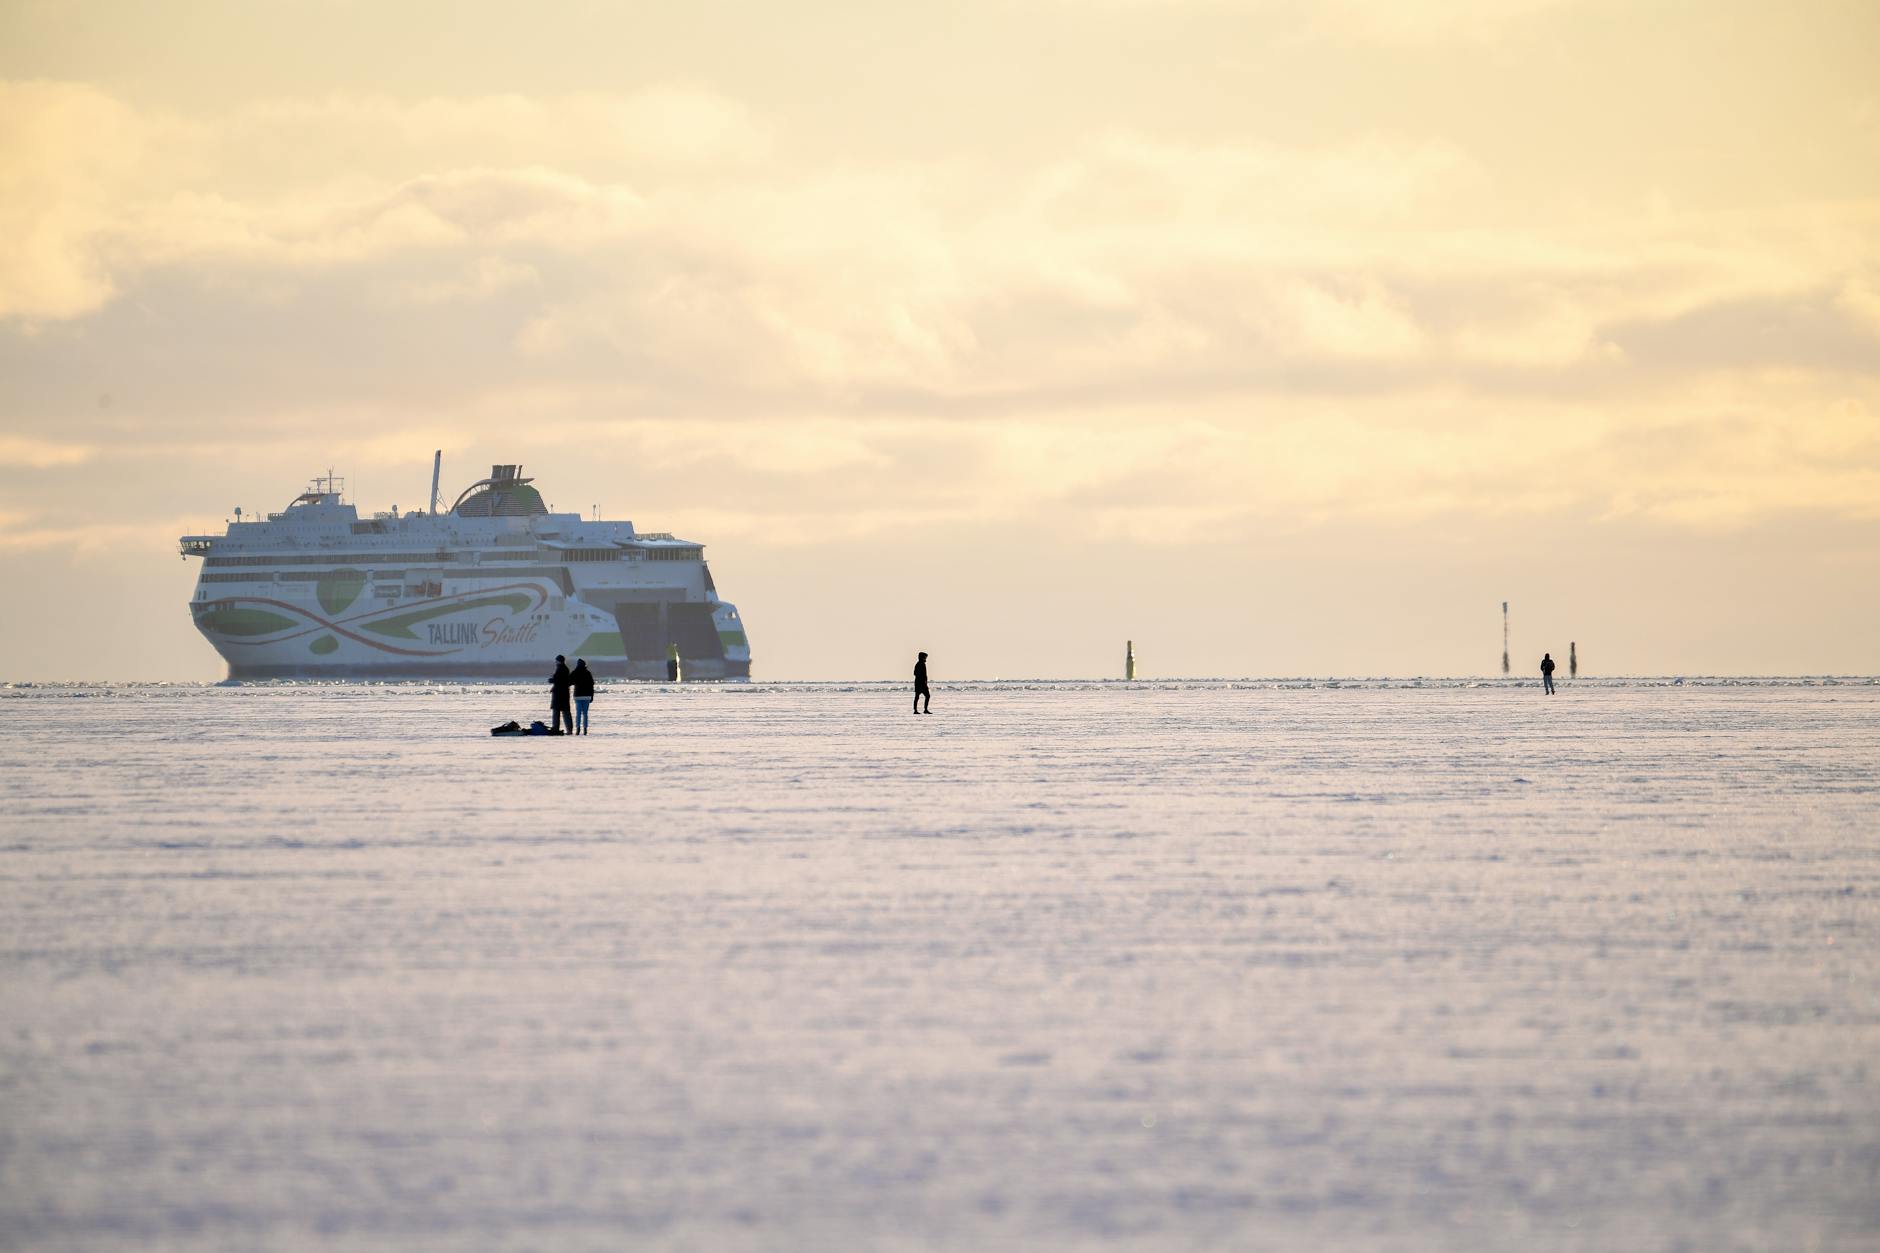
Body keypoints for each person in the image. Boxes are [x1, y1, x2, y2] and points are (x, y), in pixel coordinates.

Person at [549, 655, 574, 734]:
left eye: (556, 661)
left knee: (556, 713)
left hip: (559, 695)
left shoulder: (560, 669)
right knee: (566, 712)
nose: (555, 662)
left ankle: (555, 728)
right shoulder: (565, 669)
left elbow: (559, 680)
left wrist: (552, 680)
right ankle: (569, 729)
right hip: (564, 694)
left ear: (558, 661)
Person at [571, 658, 595, 734]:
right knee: (585, 713)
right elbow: (591, 685)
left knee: (578, 713)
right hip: (587, 696)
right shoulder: (588, 673)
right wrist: (592, 696)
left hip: (578, 695)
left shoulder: (575, 672)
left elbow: (569, 681)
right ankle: (585, 729)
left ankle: (578, 729)